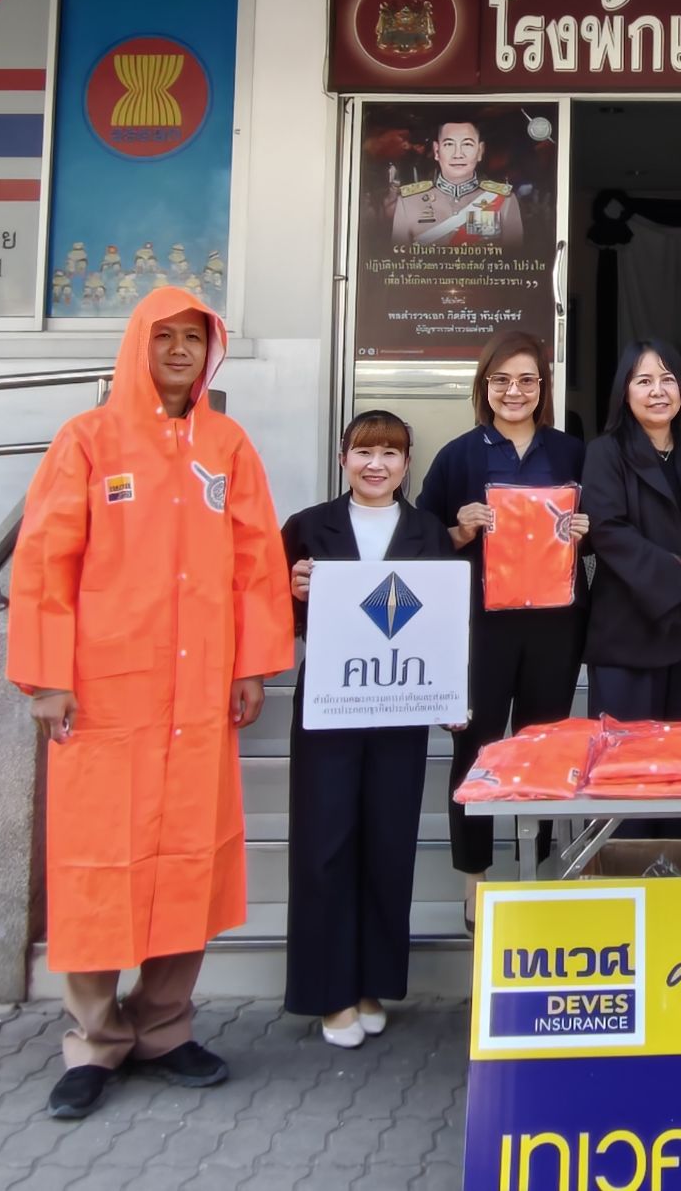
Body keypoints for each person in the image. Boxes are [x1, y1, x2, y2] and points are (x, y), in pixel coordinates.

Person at [6, 288, 292, 1123]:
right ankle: (94, 1037)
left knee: (187, 860)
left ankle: (165, 1025)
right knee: (98, 863)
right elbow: (44, 561)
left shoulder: (226, 445)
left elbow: (255, 562)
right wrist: (47, 676)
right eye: (163, 336)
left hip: (197, 699)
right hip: (105, 699)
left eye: (192, 338)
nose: (177, 350)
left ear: (210, 351)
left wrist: (251, 664)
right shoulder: (88, 440)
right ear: (138, 344)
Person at [280, 410, 452, 1049]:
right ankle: (330, 992)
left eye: (390, 454)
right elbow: (275, 611)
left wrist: (452, 691)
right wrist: (294, 593)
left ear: (406, 465)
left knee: (388, 843)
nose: (375, 465)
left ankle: (373, 982)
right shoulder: (307, 527)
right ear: (343, 458)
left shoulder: (426, 530)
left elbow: (445, 619)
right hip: (330, 703)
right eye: (363, 452)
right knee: (324, 845)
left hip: (401, 706)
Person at [418, 330, 590, 923]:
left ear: (543, 387)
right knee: (477, 745)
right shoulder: (459, 456)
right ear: (484, 386)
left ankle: (536, 868)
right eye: (501, 380)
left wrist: (585, 530)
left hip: (555, 624)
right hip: (480, 625)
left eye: (526, 380)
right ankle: (476, 877)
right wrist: (459, 530)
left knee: (542, 745)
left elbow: (603, 526)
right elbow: (421, 542)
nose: (514, 391)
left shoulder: (571, 453)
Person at [582, 341, 681, 840]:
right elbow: (608, 532)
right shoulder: (604, 453)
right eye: (643, 381)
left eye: (668, 379)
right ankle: (628, 871)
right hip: (629, 633)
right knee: (630, 767)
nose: (657, 391)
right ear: (624, 392)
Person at [392, 119, 524, 248]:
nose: (458, 154)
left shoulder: (504, 200)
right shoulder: (408, 201)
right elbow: (399, 259)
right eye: (449, 144)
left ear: (480, 151)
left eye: (467, 144)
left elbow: (514, 259)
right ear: (437, 151)